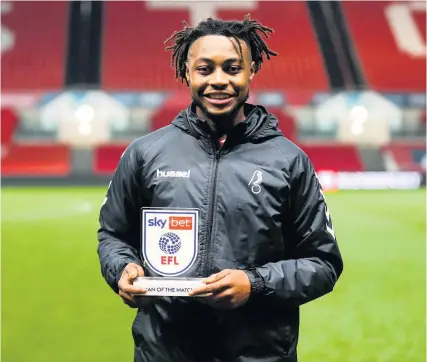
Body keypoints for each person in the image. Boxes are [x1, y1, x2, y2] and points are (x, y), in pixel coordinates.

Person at [98, 14, 343, 362]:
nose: (219, 81)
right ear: (186, 72)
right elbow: (113, 234)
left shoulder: (288, 161)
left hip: (259, 354)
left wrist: (255, 283)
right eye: (204, 69)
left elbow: (323, 263)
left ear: (252, 71)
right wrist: (122, 268)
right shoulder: (145, 153)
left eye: (232, 68)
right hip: (165, 351)